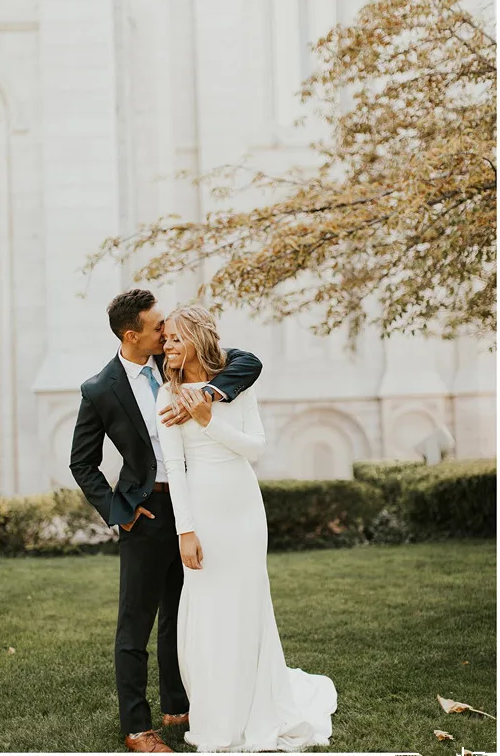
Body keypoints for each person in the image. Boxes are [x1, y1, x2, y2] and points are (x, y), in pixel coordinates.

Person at [69, 289, 262, 753]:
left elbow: (248, 361)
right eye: (157, 327)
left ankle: (179, 706)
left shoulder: (174, 359)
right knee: (136, 622)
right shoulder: (100, 388)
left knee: (184, 612)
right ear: (131, 334)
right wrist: (122, 512)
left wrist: (210, 393)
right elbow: (82, 463)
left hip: (198, 506)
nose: (166, 332)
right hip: (148, 511)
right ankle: (138, 728)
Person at [156, 305, 337, 753]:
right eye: (166, 340)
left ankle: (259, 706)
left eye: (177, 338)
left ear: (198, 338)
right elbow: (175, 469)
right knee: (207, 613)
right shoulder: (167, 396)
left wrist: (208, 419)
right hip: (202, 511)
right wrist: (185, 530)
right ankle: (217, 717)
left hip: (243, 509)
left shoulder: (235, 388)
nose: (169, 346)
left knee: (246, 608)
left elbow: (254, 448)